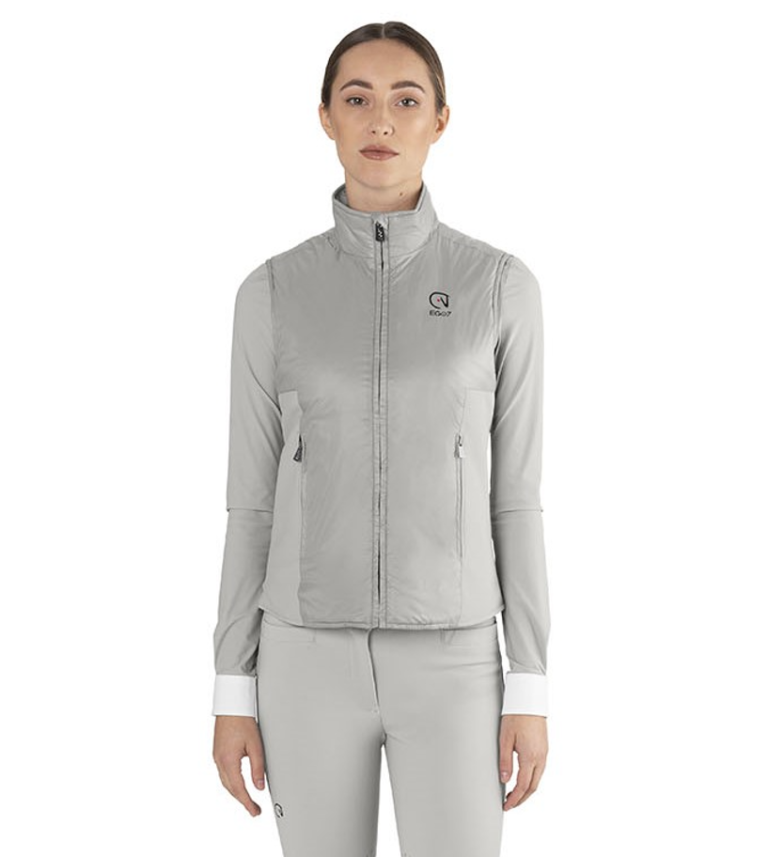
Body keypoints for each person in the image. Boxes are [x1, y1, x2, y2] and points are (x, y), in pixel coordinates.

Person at [211, 20, 551, 857]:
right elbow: (251, 502)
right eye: (357, 99)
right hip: (303, 656)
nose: (381, 122)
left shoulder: (499, 287)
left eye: (406, 100)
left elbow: (515, 497)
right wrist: (231, 685)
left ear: (440, 119)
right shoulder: (272, 293)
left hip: (457, 661)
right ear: (325, 116)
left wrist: (530, 679)